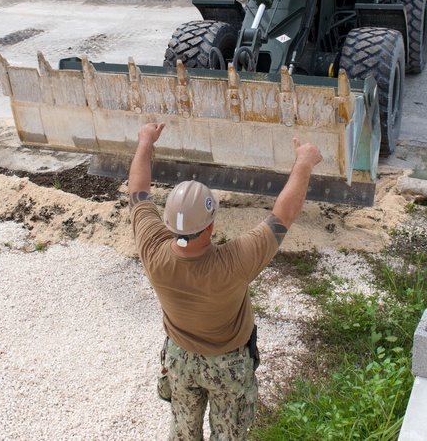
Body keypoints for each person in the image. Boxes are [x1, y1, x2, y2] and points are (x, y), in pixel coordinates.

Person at [128, 121, 323, 441]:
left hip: (180, 360)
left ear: (168, 221)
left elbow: (138, 193)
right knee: (230, 436)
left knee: (183, 433)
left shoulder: (153, 252)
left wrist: (146, 141)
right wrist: (304, 161)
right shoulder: (234, 262)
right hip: (229, 365)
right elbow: (282, 216)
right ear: (211, 226)